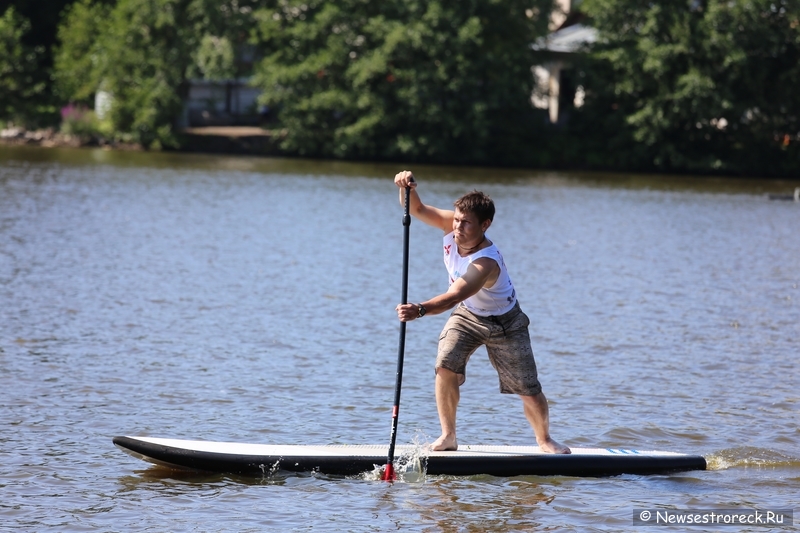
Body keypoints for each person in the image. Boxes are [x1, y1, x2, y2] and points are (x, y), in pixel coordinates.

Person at [393, 170, 570, 454]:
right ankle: (448, 436)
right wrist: (406, 186)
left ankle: (545, 440)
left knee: (528, 389)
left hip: (506, 323)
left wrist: (421, 309)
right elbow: (415, 208)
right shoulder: (452, 224)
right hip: (468, 316)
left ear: (485, 225)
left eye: (467, 224)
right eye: (457, 219)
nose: (458, 227)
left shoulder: (485, 262)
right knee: (445, 365)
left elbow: (454, 296)